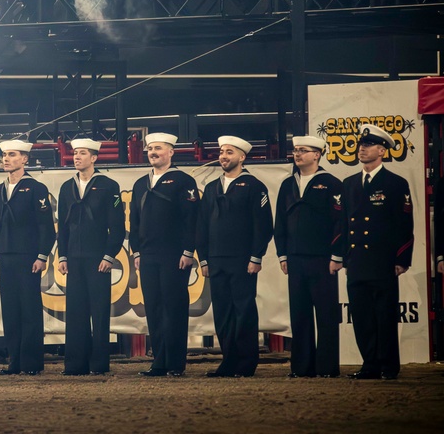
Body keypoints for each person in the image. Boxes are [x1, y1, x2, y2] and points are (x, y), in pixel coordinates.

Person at [197, 135, 273, 378]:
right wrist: (205, 259)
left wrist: (256, 257)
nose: (223, 156)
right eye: (221, 152)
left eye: (229, 152)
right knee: (223, 313)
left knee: (244, 311)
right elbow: (201, 227)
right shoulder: (211, 188)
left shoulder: (254, 186)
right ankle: (228, 362)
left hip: (242, 261)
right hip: (216, 261)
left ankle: (246, 363)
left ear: (242, 157)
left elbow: (263, 225)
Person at [341, 124, 413, 380]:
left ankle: (388, 366)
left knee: (384, 317)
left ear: (382, 150)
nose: (362, 149)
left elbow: (405, 224)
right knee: (361, 317)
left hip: (383, 261)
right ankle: (369, 364)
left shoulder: (395, 183)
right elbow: (343, 223)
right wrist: (342, 257)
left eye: (369, 145)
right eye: (361, 145)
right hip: (357, 262)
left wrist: (402, 258)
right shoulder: (349, 184)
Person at [274, 135, 346, 379]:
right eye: (295, 150)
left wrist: (337, 255)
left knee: (326, 315)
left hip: (323, 259)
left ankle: (326, 368)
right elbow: (280, 221)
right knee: (300, 314)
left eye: (303, 150)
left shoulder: (331, 183)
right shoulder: (287, 184)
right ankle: (301, 367)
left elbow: (340, 223)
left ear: (317, 154)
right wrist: (282, 253)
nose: (297, 154)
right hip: (295, 258)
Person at [130, 133, 200, 378]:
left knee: (174, 308)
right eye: (150, 148)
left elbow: (192, 218)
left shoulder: (183, 180)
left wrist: (188, 250)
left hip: (175, 255)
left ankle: (175, 363)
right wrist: (136, 250)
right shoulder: (141, 183)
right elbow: (134, 221)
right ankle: (159, 362)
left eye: (158, 148)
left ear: (171, 152)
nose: (153, 152)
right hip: (147, 255)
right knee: (154, 308)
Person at [56, 138, 125, 376]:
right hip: (74, 258)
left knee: (99, 312)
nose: (76, 157)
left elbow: (117, 226)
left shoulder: (109, 185)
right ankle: (76, 365)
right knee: (75, 312)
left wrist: (109, 255)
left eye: (82, 153)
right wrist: (62, 255)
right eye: (75, 153)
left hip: (98, 258)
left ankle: (99, 365)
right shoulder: (67, 187)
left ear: (94, 158)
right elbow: (62, 227)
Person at [0, 139, 56, 376]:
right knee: (10, 310)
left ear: (25, 159)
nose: (6, 159)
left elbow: (46, 226)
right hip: (5, 257)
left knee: (29, 310)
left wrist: (41, 255)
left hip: (29, 257)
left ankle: (31, 363)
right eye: (5, 155)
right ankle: (14, 361)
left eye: (12, 155)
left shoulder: (36, 188)